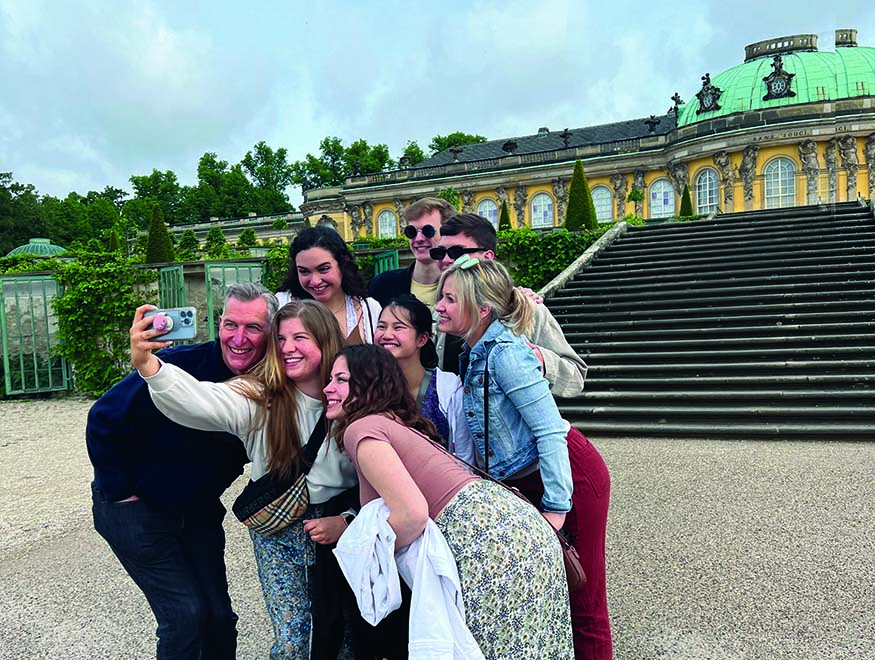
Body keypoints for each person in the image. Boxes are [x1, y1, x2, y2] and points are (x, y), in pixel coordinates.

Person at [130, 299, 361, 660]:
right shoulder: (262, 396)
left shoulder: (354, 394)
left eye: (300, 337)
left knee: (345, 637)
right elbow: (204, 400)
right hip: (281, 532)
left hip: (341, 528)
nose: (287, 348)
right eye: (281, 339)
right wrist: (151, 367)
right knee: (294, 641)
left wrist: (348, 521)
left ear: (325, 340)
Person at [323, 343, 574, 659]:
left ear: (368, 381)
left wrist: (367, 549)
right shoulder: (393, 422)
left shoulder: (361, 429)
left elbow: (412, 514)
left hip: (485, 542)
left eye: (340, 380)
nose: (327, 388)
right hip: (516, 527)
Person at [435, 256, 613, 660]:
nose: (439, 307)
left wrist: (555, 507)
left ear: (481, 310)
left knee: (583, 595)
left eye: (449, 299)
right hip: (525, 481)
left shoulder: (506, 355)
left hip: (566, 477)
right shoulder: (473, 352)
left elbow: (550, 431)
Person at [87, 282, 276, 660]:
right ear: (219, 324)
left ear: (271, 333)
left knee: (219, 617)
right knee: (185, 616)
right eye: (231, 325)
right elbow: (103, 418)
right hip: (138, 509)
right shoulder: (177, 365)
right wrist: (122, 493)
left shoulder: (272, 387)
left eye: (253, 327)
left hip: (199, 513)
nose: (239, 338)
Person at [431, 213, 588, 398]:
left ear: (487, 257)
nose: (446, 260)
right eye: (439, 253)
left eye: (457, 252)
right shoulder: (439, 313)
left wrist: (539, 358)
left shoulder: (525, 309)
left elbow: (575, 377)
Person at [374, 294, 475, 462]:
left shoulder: (449, 388)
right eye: (382, 327)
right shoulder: (368, 386)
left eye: (398, 327)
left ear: (422, 339)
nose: (387, 335)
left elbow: (464, 457)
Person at [276, 225, 382, 344]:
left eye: (324, 269)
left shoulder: (369, 309)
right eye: (304, 271)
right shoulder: (280, 304)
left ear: (343, 263)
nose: (315, 281)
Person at [367, 197, 456, 308]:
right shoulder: (382, 285)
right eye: (411, 231)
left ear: (447, 234)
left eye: (428, 231)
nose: (418, 239)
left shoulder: (464, 288)